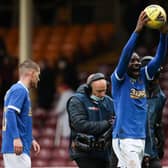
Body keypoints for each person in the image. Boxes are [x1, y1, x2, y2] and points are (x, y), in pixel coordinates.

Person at [111, 11, 167, 168]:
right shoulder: (118, 79)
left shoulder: (143, 76)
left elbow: (159, 58)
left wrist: (164, 35)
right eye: (132, 61)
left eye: (138, 60)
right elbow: (125, 54)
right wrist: (137, 31)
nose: (136, 63)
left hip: (140, 137)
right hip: (124, 137)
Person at [67, 73, 115, 168]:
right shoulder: (76, 101)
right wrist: (107, 123)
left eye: (104, 90)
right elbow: (80, 124)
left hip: (105, 153)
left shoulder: (109, 101)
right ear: (89, 89)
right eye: (99, 91)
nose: (102, 94)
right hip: (84, 153)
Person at [1, 59, 41, 168]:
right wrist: (16, 138)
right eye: (38, 74)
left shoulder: (14, 90)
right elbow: (10, 113)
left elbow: (19, 119)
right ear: (32, 73)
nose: (38, 78)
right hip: (16, 148)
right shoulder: (20, 90)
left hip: (15, 147)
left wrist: (31, 138)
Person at [141, 56, 166, 168]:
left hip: (151, 148)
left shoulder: (161, 97)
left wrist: (160, 141)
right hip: (131, 145)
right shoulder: (131, 91)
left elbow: (157, 122)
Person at [54, 80, 74, 146]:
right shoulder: (73, 93)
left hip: (66, 119)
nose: (58, 91)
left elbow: (59, 110)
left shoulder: (66, 94)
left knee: (66, 141)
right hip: (74, 119)